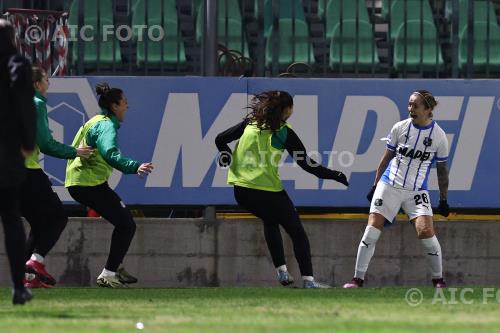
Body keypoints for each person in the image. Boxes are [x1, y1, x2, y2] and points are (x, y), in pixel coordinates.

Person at [215, 90, 349, 288]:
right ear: (286, 110)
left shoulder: (250, 124)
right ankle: (309, 282)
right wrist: (334, 175)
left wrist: (226, 156)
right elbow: (307, 165)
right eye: (291, 107)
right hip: (268, 190)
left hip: (241, 190)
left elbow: (219, 139)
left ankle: (282, 273)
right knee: (297, 232)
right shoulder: (283, 131)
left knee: (270, 220)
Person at [343, 90, 450, 289]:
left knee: (425, 231)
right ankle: (357, 279)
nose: (410, 109)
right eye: (409, 104)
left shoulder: (439, 137)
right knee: (372, 229)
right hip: (389, 185)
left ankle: (438, 280)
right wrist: (375, 186)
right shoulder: (400, 128)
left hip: (417, 190)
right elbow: (386, 159)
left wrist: (443, 199)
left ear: (427, 109)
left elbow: (442, 172)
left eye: (415, 105)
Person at [65, 83, 154, 288]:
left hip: (84, 182)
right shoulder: (106, 126)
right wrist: (134, 166)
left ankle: (115, 267)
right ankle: (109, 273)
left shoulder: (95, 121)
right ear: (114, 106)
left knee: (124, 223)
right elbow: (110, 153)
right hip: (88, 183)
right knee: (126, 225)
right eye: (124, 103)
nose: (127, 107)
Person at [21, 65, 94, 289]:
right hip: (27, 172)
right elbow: (44, 143)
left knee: (39, 222)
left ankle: (27, 276)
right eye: (45, 79)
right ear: (36, 84)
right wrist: (75, 152)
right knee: (57, 218)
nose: (49, 83)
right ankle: (35, 261)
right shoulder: (37, 104)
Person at [0, 18, 36, 304]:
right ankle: (17, 286)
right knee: (11, 219)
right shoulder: (18, 65)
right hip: (7, 152)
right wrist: (27, 143)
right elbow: (25, 105)